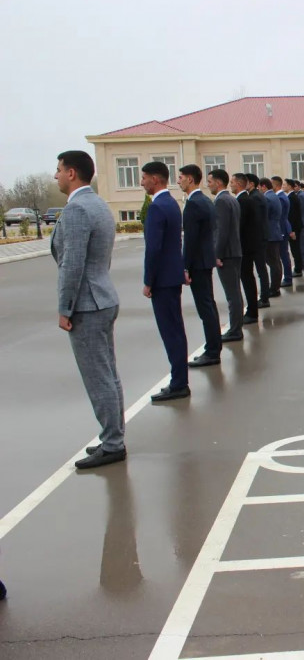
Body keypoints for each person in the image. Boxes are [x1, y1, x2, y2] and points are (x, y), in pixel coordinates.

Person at [51, 150, 127, 469]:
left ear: (72, 173)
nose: (56, 175)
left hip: (87, 304)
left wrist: (65, 308)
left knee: (98, 377)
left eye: (59, 170)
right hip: (102, 296)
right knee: (108, 373)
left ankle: (113, 443)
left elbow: (72, 264)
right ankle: (113, 436)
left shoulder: (77, 209)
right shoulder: (97, 204)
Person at [141, 161, 190, 402]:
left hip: (162, 280)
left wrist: (148, 281)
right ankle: (180, 380)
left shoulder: (157, 207)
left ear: (155, 179)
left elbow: (154, 249)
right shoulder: (171, 203)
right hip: (172, 276)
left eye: (144, 178)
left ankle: (179, 383)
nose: (142, 182)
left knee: (170, 332)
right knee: (176, 329)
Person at [178, 164, 222, 366]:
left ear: (190, 179)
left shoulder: (194, 203)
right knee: (209, 305)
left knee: (205, 308)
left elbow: (191, 240)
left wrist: (185, 267)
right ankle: (214, 347)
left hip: (198, 262)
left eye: (181, 177)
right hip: (205, 260)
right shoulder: (205, 200)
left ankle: (212, 351)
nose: (178, 181)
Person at [207, 169, 244, 342]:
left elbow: (221, 231)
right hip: (234, 251)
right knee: (235, 291)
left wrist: (217, 254)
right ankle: (236, 327)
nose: (208, 185)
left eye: (210, 182)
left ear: (218, 182)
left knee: (232, 294)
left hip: (227, 253)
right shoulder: (231, 199)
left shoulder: (221, 201)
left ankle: (235, 330)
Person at [233, 174, 261, 323]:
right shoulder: (246, 199)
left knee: (247, 278)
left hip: (245, 246)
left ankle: (252, 312)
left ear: (238, 184)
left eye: (232, 182)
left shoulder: (243, 201)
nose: (230, 185)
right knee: (248, 277)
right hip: (248, 245)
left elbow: (239, 226)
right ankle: (252, 310)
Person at [247, 175, 271, 307]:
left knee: (261, 269)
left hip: (258, 238)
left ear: (251, 184)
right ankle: (264, 296)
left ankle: (264, 298)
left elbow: (255, 220)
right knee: (261, 269)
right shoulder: (257, 195)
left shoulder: (255, 197)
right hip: (261, 236)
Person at [261, 177, 284, 298]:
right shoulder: (273, 196)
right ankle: (276, 287)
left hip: (270, 234)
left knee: (273, 262)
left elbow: (264, 216)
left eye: (259, 187)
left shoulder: (268, 198)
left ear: (264, 186)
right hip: (274, 232)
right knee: (275, 262)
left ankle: (274, 288)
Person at [271, 175, 293, 287]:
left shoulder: (280, 198)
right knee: (283, 254)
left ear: (275, 185)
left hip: (281, 229)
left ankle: (288, 278)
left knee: (283, 255)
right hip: (283, 228)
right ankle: (287, 277)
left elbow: (279, 216)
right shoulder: (282, 196)